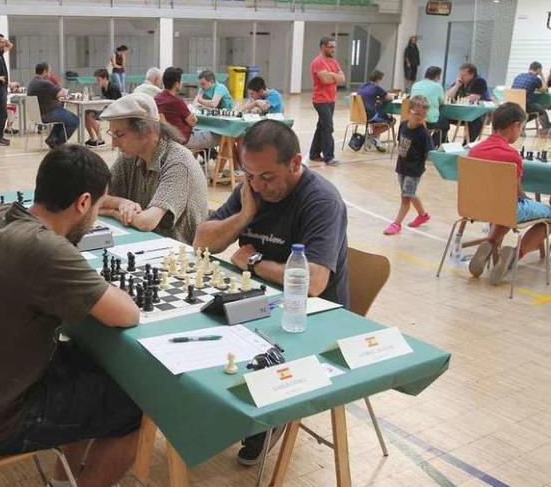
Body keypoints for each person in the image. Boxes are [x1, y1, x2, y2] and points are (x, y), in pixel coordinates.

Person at [0, 144, 143, 487]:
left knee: (85, 365)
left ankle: (64, 482)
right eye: (98, 208)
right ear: (83, 202)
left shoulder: (0, 217)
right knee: (133, 405)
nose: (94, 219)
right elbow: (127, 314)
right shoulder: (45, 249)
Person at [193, 119, 348, 467]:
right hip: (261, 303)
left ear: (295, 163)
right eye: (250, 175)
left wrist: (255, 261)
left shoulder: (321, 200)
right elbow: (202, 240)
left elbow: (314, 282)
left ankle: (271, 412)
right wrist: (245, 213)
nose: (258, 186)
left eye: (267, 178)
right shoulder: (252, 189)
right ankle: (225, 408)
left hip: (312, 319)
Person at [98, 93, 207, 244]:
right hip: (143, 243)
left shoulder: (178, 162)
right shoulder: (130, 157)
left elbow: (147, 222)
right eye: (112, 134)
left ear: (148, 131)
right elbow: (95, 197)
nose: (113, 144)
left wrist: (112, 212)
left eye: (119, 135)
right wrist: (121, 203)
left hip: (175, 254)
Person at [466, 103, 551, 285]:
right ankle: (514, 255)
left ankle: (489, 243)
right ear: (515, 126)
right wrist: (529, 201)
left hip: (476, 207)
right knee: (544, 214)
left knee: (504, 208)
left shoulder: (474, 150)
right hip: (504, 207)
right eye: (520, 128)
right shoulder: (512, 156)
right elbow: (517, 192)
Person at [383, 95, 433, 235]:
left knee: (406, 197)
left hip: (414, 170)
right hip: (402, 167)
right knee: (409, 194)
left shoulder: (423, 133)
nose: (419, 117)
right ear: (409, 111)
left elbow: (429, 152)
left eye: (423, 115)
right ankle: (423, 215)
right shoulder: (403, 125)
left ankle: (397, 224)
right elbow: (400, 142)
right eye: (417, 113)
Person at [309, 36, 345, 165]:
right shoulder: (318, 62)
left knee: (322, 127)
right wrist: (334, 77)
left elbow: (342, 79)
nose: (333, 49)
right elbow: (325, 80)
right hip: (320, 100)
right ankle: (329, 157)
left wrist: (332, 75)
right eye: (330, 47)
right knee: (328, 127)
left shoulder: (334, 62)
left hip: (331, 99)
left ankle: (314, 154)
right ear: (323, 47)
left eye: (334, 47)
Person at [27, 62, 78, 148]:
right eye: (49, 72)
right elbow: (61, 93)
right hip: (48, 114)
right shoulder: (45, 83)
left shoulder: (32, 82)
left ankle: (52, 138)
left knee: (62, 119)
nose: (50, 74)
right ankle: (58, 143)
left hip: (38, 114)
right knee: (75, 120)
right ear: (44, 71)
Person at [444, 62, 490, 143]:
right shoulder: (460, 82)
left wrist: (457, 101)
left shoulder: (479, 81)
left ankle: (467, 144)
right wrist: (456, 86)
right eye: (460, 75)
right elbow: (447, 96)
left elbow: (474, 97)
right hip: (461, 112)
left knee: (473, 120)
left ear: (472, 74)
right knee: (442, 117)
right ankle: (444, 140)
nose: (461, 77)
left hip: (477, 113)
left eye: (464, 75)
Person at [154, 67, 199, 147]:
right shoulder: (177, 102)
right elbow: (192, 122)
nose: (182, 83)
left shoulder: (156, 98)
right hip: (181, 139)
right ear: (176, 84)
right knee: (217, 137)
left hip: (163, 139)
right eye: (181, 81)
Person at [355, 70, 395, 152]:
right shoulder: (376, 87)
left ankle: (376, 140)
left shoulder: (362, 86)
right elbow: (389, 98)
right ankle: (372, 137)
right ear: (378, 79)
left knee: (378, 115)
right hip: (370, 116)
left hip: (360, 116)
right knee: (392, 120)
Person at [410, 66, 448, 146]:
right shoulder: (437, 86)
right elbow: (442, 102)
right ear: (437, 76)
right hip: (429, 120)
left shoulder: (415, 84)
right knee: (445, 123)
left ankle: (428, 142)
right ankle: (432, 145)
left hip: (412, 117)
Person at [84, 68, 122, 148]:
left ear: (105, 78)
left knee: (90, 115)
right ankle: (93, 138)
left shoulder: (112, 87)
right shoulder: (104, 87)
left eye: (99, 80)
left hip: (115, 111)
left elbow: (114, 103)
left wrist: (98, 106)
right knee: (86, 113)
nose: (97, 82)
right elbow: (105, 101)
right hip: (108, 109)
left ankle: (100, 139)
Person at [511, 61, 550, 131]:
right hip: (525, 105)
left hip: (513, 104)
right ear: (538, 70)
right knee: (541, 110)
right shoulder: (535, 78)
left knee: (534, 110)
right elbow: (544, 90)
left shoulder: (519, 76)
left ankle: (519, 125)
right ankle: (547, 129)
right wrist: (542, 76)